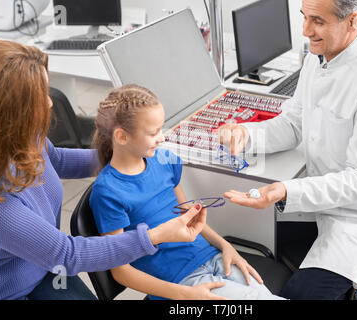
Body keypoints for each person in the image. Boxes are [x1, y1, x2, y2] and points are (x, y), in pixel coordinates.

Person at [0, 40, 215, 300]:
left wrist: (125, 153)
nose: (50, 103)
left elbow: (56, 158)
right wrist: (156, 235)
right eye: (40, 96)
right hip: (6, 289)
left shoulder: (24, 137)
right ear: (10, 112)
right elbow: (67, 254)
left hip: (42, 265)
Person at [219, 0, 357, 299]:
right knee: (241, 235)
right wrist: (246, 134)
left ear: (353, 20)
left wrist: (285, 191)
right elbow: (294, 125)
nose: (306, 30)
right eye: (304, 18)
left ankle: (356, 290)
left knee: (300, 294)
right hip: (320, 202)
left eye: (317, 21)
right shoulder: (318, 56)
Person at [89, 84, 285, 300]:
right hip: (181, 282)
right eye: (154, 133)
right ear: (122, 137)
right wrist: (185, 295)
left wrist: (226, 246)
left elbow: (188, 215)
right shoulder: (108, 192)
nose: (162, 138)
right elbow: (121, 271)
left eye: (161, 129)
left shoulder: (164, 161)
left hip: (212, 257)